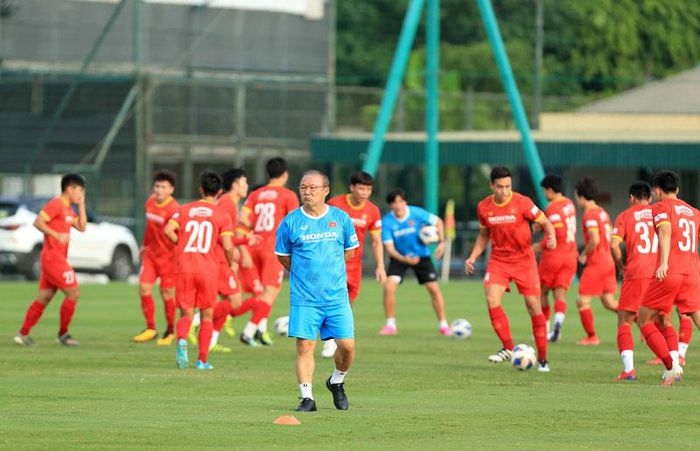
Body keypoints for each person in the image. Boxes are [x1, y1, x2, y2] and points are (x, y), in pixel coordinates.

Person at [275, 170, 359, 412]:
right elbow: (283, 256)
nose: (307, 192)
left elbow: (349, 251)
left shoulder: (341, 218)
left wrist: (329, 272)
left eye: (312, 188)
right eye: (303, 188)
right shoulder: (290, 222)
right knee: (305, 347)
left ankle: (337, 381)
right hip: (304, 298)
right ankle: (307, 397)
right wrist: (305, 274)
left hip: (336, 297)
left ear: (326, 190)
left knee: (348, 347)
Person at [464, 166, 555, 372]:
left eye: (508, 186)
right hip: (499, 261)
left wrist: (552, 237)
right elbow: (484, 235)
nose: (505, 191)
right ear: (491, 186)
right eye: (500, 187)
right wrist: (472, 256)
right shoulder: (483, 207)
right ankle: (507, 347)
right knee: (491, 299)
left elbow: (546, 222)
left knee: (533, 306)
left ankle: (542, 359)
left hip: (524, 261)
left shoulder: (523, 202)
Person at [164, 171, 235, 370]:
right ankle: (202, 360)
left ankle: (181, 340)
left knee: (186, 313)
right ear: (220, 192)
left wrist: (181, 243)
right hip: (208, 269)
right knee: (206, 315)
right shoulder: (222, 215)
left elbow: (168, 230)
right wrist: (230, 263)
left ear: (201, 189)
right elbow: (228, 246)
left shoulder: (184, 210)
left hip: (185, 267)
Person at [637, 170, 700, 386]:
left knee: (644, 319)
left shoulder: (661, 207)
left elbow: (664, 230)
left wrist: (663, 262)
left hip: (671, 271)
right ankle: (674, 363)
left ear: (656, 190)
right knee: (695, 315)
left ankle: (671, 367)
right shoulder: (693, 211)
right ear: (678, 189)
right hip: (692, 272)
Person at [14, 173, 87, 347]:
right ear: (69, 189)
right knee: (73, 292)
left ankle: (22, 334)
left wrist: (81, 204)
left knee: (44, 297)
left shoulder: (69, 209)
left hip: (56, 258)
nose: (80, 194)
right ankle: (63, 334)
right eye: (79, 191)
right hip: (53, 259)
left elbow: (82, 227)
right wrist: (55, 234)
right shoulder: (56, 204)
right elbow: (38, 221)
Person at [322, 171, 386, 358]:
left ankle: (334, 338)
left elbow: (376, 241)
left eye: (368, 189)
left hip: (354, 265)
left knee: (347, 303)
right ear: (352, 187)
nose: (365, 192)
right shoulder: (335, 204)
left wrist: (380, 265)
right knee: (330, 300)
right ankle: (328, 341)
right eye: (361, 188)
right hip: (332, 262)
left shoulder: (373, 211)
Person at [238, 157, 300, 345]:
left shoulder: (256, 194)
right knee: (270, 291)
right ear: (285, 174)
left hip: (254, 244)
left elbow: (244, 218)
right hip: (273, 248)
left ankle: (260, 329)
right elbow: (293, 223)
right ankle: (249, 331)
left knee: (260, 293)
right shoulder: (288, 195)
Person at [207, 168, 266, 352]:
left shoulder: (230, 203)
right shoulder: (227, 204)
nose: (246, 186)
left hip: (221, 257)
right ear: (235, 185)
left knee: (230, 301)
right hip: (218, 258)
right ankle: (198, 319)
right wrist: (243, 242)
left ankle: (211, 341)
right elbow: (220, 236)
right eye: (244, 182)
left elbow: (226, 235)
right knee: (234, 302)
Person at [379, 189, 450, 336]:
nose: (398, 205)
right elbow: (390, 249)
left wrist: (442, 242)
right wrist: (405, 259)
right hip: (400, 257)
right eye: (394, 202)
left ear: (405, 202)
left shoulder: (417, 213)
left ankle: (443, 325)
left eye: (401, 201)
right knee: (389, 286)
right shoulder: (386, 222)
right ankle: (390, 325)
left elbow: (439, 222)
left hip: (421, 256)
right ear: (390, 205)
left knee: (434, 288)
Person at [610, 181, 657, 381]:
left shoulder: (625, 216)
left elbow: (613, 245)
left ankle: (629, 370)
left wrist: (620, 265)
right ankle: (673, 363)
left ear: (631, 198)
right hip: (659, 272)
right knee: (663, 320)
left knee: (625, 321)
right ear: (651, 198)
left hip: (636, 272)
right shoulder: (659, 213)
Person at [133, 170, 179, 345]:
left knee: (166, 293)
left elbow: (178, 234)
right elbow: (150, 228)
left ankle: (170, 331)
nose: (159, 190)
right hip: (151, 255)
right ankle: (151, 328)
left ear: (171, 190)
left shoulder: (174, 209)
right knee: (144, 288)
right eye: (157, 186)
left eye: (163, 187)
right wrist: (144, 245)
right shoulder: (150, 203)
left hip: (168, 258)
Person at [533, 174, 578, 343]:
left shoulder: (553, 207)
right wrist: (543, 225)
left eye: (544, 190)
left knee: (541, 293)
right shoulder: (569, 204)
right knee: (559, 295)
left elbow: (557, 232)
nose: (544, 193)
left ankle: (544, 329)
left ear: (550, 190)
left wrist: (538, 246)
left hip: (554, 256)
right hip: (570, 256)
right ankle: (557, 327)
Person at [574, 177, 618, 345]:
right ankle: (638, 319)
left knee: (582, 300)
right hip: (608, 261)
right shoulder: (602, 212)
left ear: (580, 196)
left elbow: (594, 239)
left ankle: (592, 336)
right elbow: (612, 232)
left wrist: (584, 253)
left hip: (597, 262)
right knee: (608, 301)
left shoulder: (590, 214)